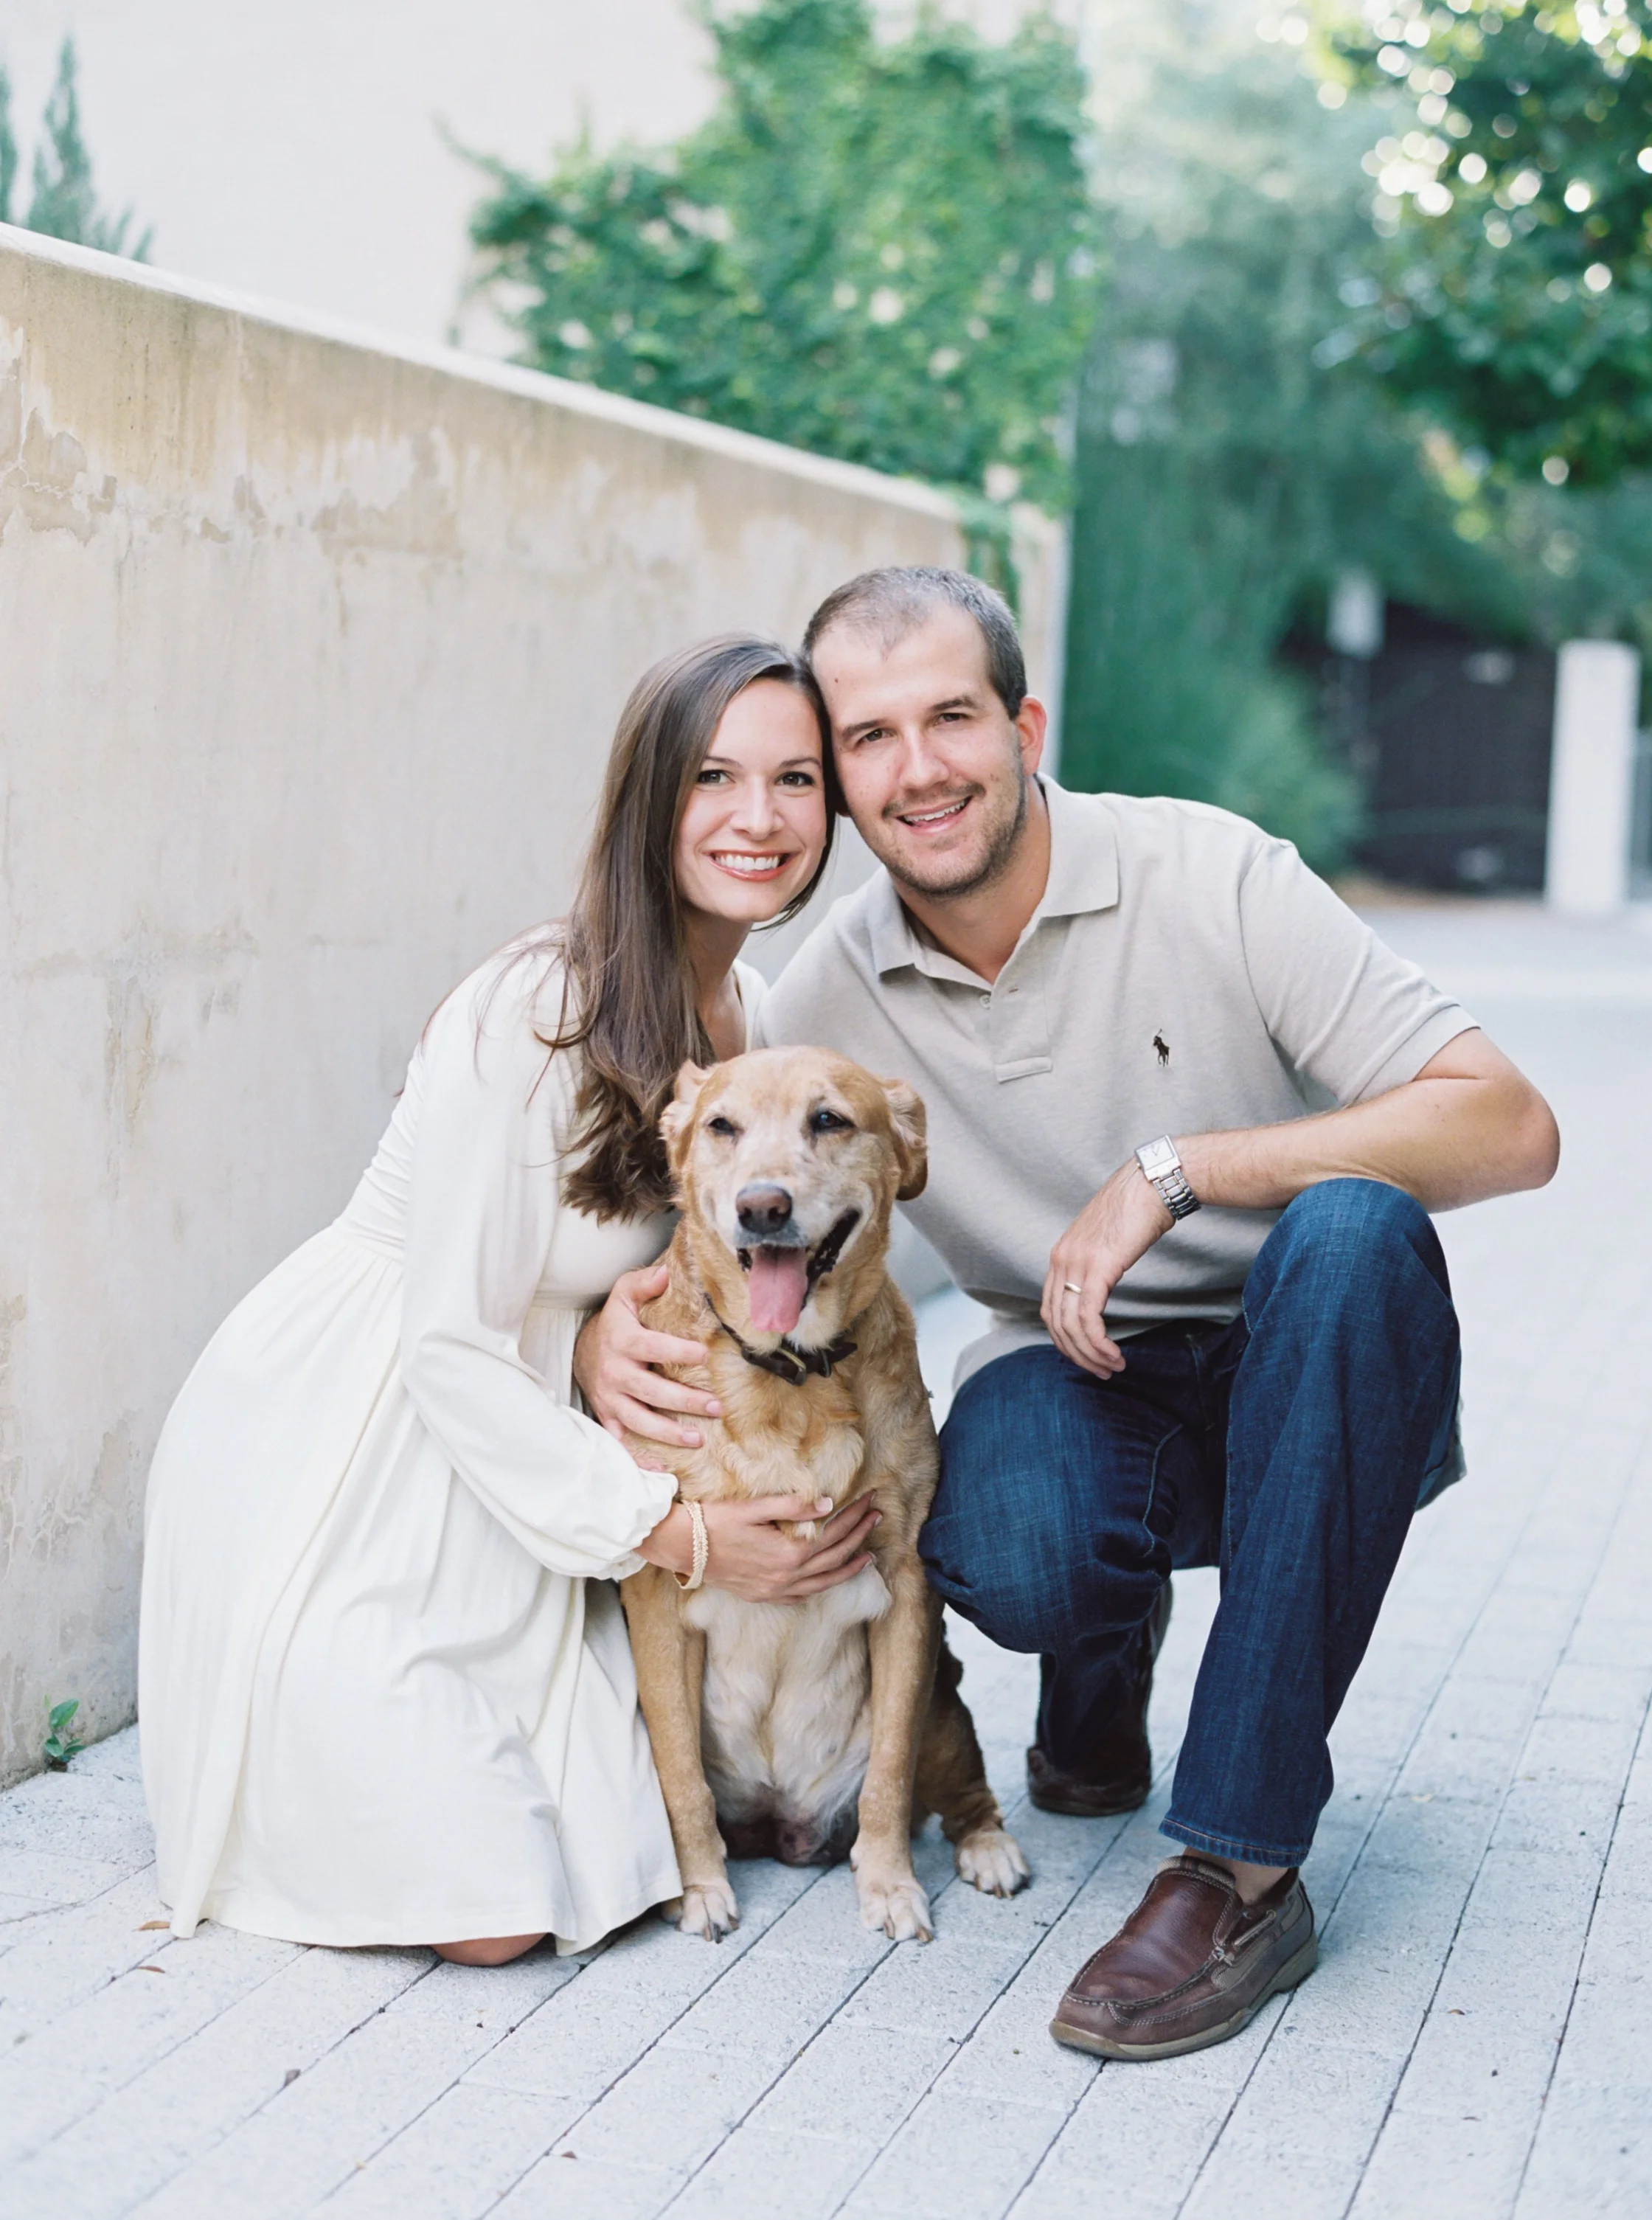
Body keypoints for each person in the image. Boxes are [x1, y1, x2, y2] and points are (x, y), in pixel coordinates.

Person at [575, 569, 1560, 2059]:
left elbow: (1508, 1123)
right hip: (1085, 1378)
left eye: (952, 717)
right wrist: (601, 1332)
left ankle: (1235, 1863)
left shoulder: (1210, 874)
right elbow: (731, 1199)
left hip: (1316, 1366)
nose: (918, 770)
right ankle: (1095, 1677)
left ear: (1024, 723)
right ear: (840, 782)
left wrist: (1175, 1174)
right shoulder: (822, 998)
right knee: (1001, 1523)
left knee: (1353, 1231)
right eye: (871, 737)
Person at [139, 634, 881, 1966]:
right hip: (369, 1440)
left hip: (533, 1470)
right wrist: (683, 1538)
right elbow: (449, 1336)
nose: (758, 818)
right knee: (495, 1916)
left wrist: (603, 1341)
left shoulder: (748, 1010)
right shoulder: (536, 1004)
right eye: (714, 775)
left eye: (796, 779)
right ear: (649, 797)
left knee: (637, 1854)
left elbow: (680, 1271)